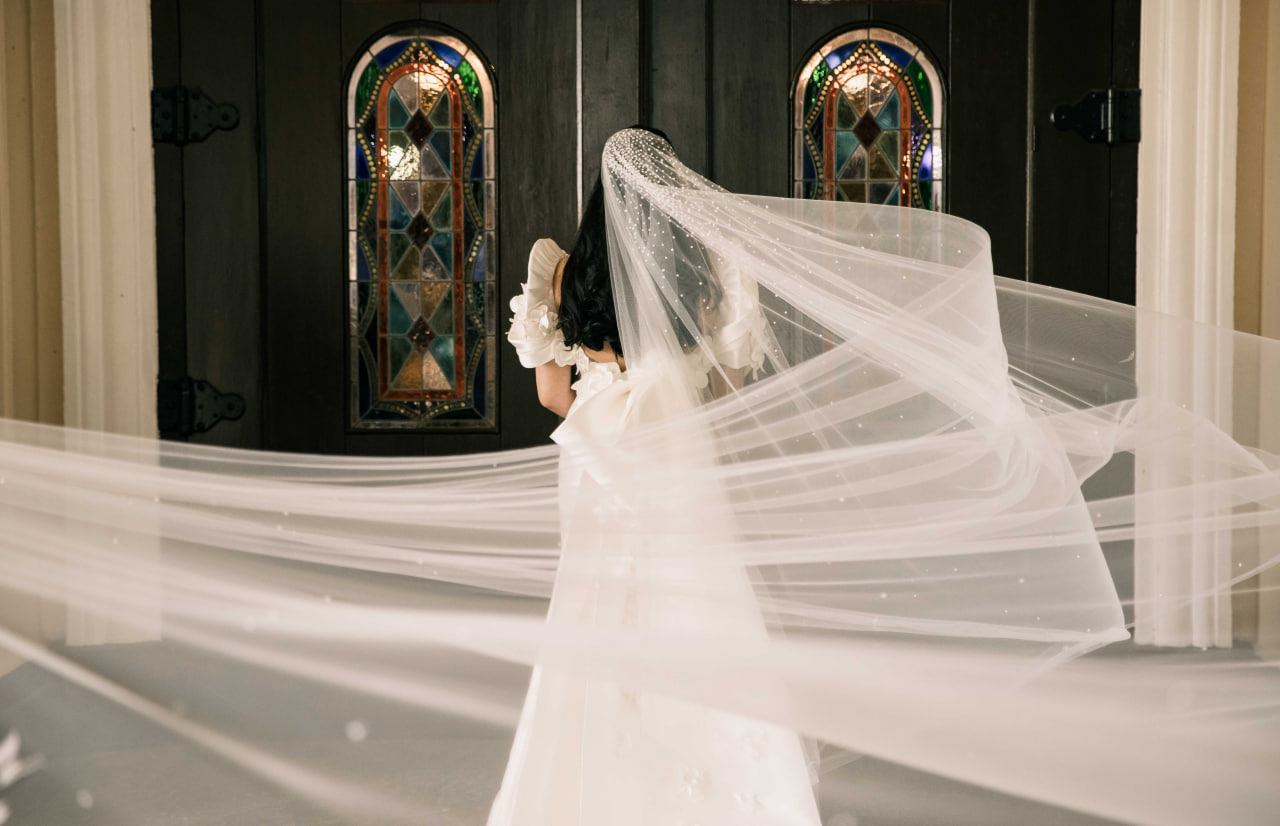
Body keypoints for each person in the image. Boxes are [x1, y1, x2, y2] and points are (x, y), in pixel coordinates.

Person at [492, 126, 823, 825]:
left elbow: (554, 398)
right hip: (681, 461)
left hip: (600, 467)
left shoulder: (559, 272)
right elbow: (730, 391)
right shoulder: (710, 270)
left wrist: (608, 396)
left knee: (596, 611)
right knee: (701, 607)